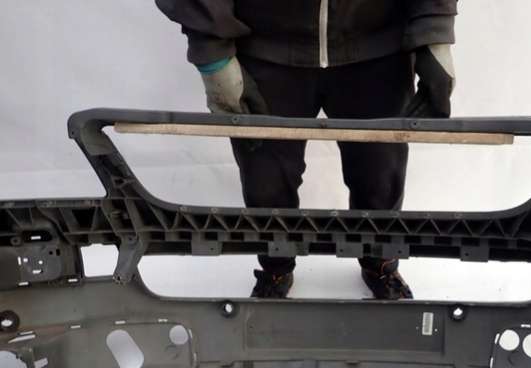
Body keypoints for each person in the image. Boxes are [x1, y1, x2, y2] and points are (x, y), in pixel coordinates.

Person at [156, 0, 458, 299]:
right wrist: (212, 54)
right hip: (265, 47)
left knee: (379, 174)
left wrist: (434, 30)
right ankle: (276, 268)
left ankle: (380, 263)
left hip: (378, 48)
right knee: (266, 180)